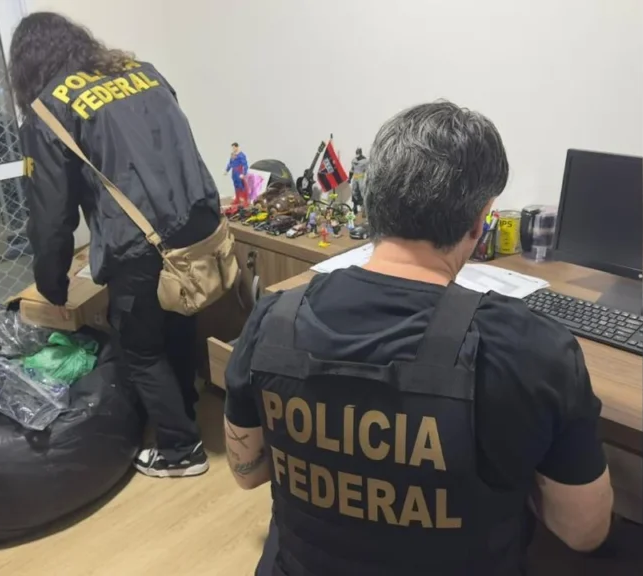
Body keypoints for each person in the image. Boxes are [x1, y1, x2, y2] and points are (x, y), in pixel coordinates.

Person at [223, 102, 614, 575]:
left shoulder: (273, 319)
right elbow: (584, 532)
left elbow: (247, 474)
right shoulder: (531, 350)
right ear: (480, 222)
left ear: (372, 202)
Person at [9, 12, 220, 478]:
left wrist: (52, 282)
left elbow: (51, 215)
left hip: (141, 240)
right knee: (179, 317)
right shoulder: (141, 72)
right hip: (197, 220)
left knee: (141, 346)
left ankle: (181, 450)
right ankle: (183, 406)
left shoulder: (48, 110)